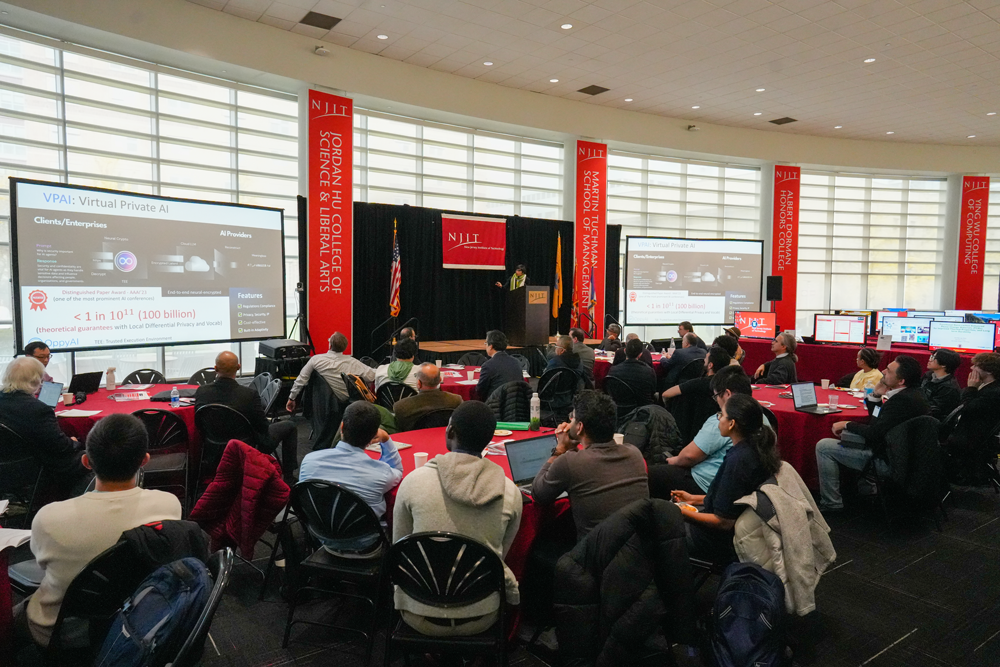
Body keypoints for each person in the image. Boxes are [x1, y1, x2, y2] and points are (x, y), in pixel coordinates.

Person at [14, 413, 181, 648]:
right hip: (139, 626)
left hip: (62, 633)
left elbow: (42, 566)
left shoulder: (48, 518)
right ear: (145, 460)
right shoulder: (169, 505)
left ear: (87, 462)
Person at [392, 401, 522, 636]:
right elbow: (502, 552)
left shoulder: (412, 482)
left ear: (450, 432)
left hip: (418, 612)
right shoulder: (510, 492)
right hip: (481, 614)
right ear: (490, 439)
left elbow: (400, 548)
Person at [671, 393, 780, 564]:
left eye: (721, 415)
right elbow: (735, 500)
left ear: (732, 424)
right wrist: (694, 499)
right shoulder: (755, 450)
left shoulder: (738, 461)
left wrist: (681, 512)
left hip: (716, 540)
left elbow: (723, 522)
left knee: (654, 525)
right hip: (739, 533)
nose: (719, 419)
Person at [814, 355, 931, 511]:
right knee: (850, 436)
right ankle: (866, 490)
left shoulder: (901, 401)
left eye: (888, 371)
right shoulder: (914, 394)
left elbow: (875, 432)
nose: (883, 372)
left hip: (890, 461)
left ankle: (831, 503)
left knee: (824, 447)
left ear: (901, 381)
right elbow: (877, 422)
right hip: (905, 456)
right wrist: (876, 395)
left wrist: (847, 424)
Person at [531, 391, 648, 540]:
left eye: (572, 418)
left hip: (592, 554)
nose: (570, 421)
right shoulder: (634, 453)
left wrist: (559, 450)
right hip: (635, 547)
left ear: (579, 427)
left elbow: (538, 494)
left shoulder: (569, 461)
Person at [194, 351, 299, 482]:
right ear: (238, 367)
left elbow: (198, 423)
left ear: (215, 369)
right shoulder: (249, 394)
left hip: (213, 445)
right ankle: (289, 477)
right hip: (246, 446)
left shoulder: (201, 391)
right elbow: (262, 427)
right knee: (290, 426)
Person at [649, 364, 751, 498]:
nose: (716, 402)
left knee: (645, 474)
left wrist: (674, 460)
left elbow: (688, 456)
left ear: (727, 394)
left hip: (706, 483)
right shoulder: (761, 417)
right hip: (736, 486)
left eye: (716, 396)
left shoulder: (723, 421)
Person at [298, 401, 402, 524]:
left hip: (319, 531)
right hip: (366, 536)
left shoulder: (309, 461)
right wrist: (385, 439)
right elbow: (398, 471)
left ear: (342, 427)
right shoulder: (381, 474)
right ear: (374, 435)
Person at [0, 356, 89, 498]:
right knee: (88, 457)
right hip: (31, 467)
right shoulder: (38, 410)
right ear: (37, 380)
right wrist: (75, 442)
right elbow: (59, 447)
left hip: (6, 465)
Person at [943, 353, 1000, 482]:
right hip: (969, 433)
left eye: (976, 366)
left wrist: (971, 388)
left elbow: (967, 409)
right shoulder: (988, 387)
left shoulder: (993, 393)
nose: (972, 369)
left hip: (970, 439)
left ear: (989, 370)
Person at [286, 331, 375, 408]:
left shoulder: (316, 360)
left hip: (326, 404)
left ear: (330, 346)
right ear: (345, 347)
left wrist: (291, 398)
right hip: (351, 402)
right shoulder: (353, 363)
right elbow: (372, 376)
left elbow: (301, 380)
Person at [393, 363, 463, 432]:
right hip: (446, 440)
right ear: (440, 380)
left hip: (416, 441)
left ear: (419, 383)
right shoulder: (456, 401)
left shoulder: (401, 407)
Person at [661, 345, 732, 407]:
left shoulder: (699, 383)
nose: (703, 360)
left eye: (705, 359)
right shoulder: (729, 382)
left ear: (710, 365)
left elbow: (666, 394)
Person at [607, 337, 658, 405]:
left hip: (620, 408)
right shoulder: (649, 372)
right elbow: (652, 391)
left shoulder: (613, 371)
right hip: (644, 409)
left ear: (625, 351)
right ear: (640, 354)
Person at [477, 330, 524, 402]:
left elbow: (480, 390)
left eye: (486, 343)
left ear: (491, 346)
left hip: (496, 405)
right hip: (516, 403)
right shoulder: (516, 362)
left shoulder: (488, 365)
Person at [921, 348, 962, 420]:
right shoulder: (928, 375)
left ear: (944, 364)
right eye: (931, 356)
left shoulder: (949, 388)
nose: (930, 359)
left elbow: (934, 410)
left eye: (933, 358)